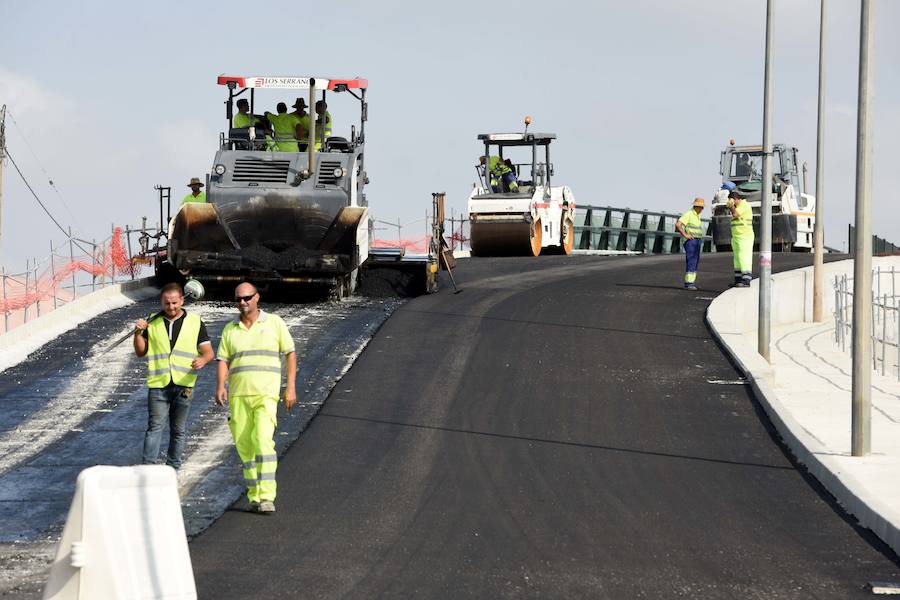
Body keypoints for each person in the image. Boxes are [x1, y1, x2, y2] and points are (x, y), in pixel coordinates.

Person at [215, 282, 297, 515]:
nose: (243, 302)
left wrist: (290, 387)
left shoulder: (274, 323)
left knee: (262, 442)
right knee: (246, 450)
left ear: (257, 297)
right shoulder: (230, 329)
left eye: (247, 298)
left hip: (266, 394)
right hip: (239, 397)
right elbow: (223, 359)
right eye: (239, 299)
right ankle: (254, 495)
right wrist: (220, 385)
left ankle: (267, 495)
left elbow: (290, 353)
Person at [133, 282, 214, 469]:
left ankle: (173, 469)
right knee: (154, 429)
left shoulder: (195, 322)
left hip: (184, 384)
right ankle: (148, 469)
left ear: (182, 300)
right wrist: (138, 333)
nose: (171, 307)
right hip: (158, 385)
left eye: (175, 303)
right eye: (167, 303)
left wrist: (203, 360)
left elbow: (208, 352)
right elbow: (140, 352)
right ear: (162, 301)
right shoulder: (152, 321)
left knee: (178, 430)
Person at [676, 197, 705, 290]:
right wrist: (685, 235)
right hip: (691, 241)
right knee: (692, 261)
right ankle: (689, 283)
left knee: (695, 262)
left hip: (697, 240)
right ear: (696, 206)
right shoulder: (689, 214)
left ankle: (691, 282)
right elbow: (678, 224)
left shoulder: (697, 215)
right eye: (701, 207)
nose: (702, 209)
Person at [728, 189, 754, 287]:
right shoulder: (738, 206)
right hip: (736, 236)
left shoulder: (744, 205)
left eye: (731, 200)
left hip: (745, 236)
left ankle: (746, 280)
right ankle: (738, 279)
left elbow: (735, 214)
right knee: (737, 258)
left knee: (744, 257)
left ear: (735, 199)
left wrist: (731, 207)